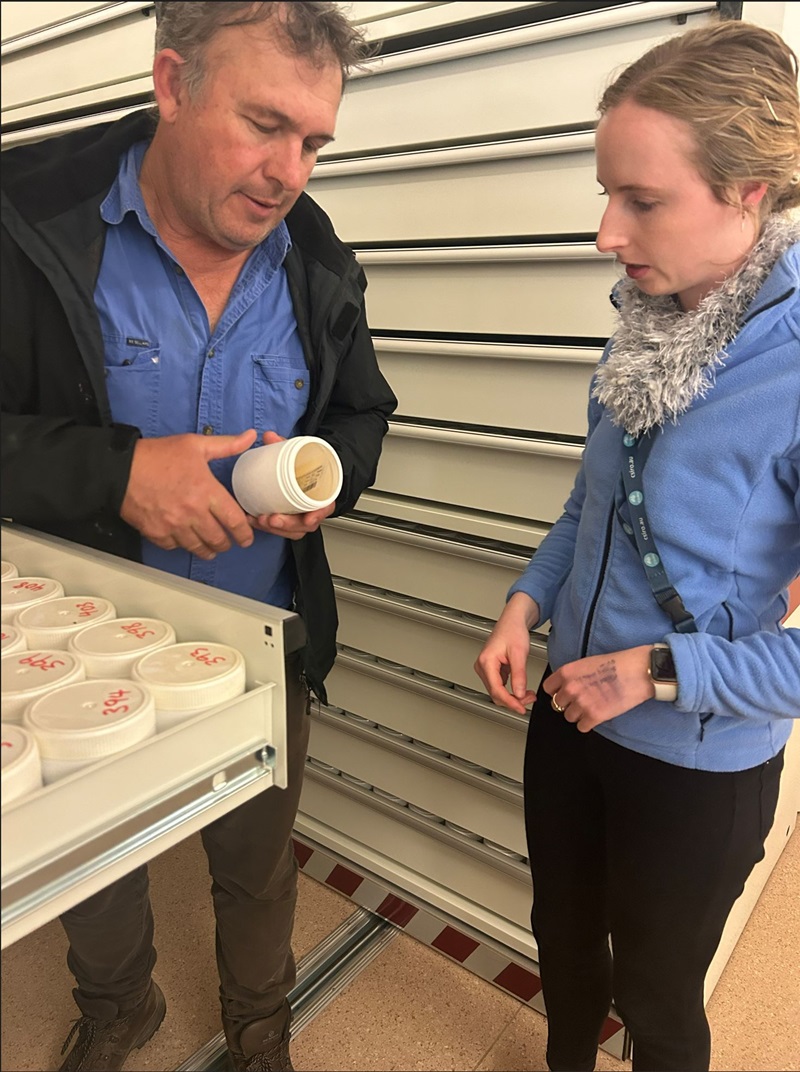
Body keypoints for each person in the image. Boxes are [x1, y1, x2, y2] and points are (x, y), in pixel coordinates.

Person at [1, 3, 396, 1070]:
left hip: (259, 642)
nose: (288, 171)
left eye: (313, 141)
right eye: (264, 123)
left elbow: (361, 413)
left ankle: (261, 1029)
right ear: (172, 84)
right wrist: (115, 470)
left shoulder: (313, 257)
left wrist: (330, 481)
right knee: (96, 859)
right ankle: (121, 1007)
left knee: (260, 863)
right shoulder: (23, 219)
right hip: (83, 635)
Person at [475, 18, 800, 1072]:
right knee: (562, 944)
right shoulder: (645, 325)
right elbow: (593, 507)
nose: (607, 232)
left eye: (641, 200)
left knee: (658, 998)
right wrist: (526, 601)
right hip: (568, 712)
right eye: (604, 195)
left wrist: (653, 671)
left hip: (694, 763)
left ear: (749, 191)